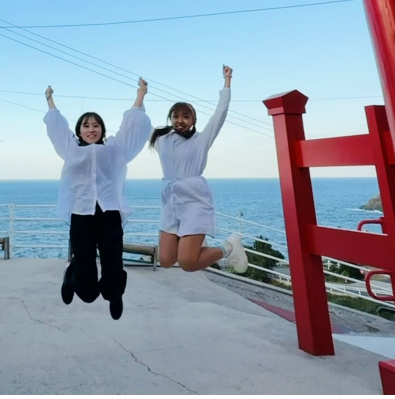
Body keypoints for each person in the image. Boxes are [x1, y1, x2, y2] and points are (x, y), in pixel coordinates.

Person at [44, 78, 152, 319]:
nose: (91, 129)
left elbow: (131, 127)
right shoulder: (70, 148)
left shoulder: (114, 148)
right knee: (88, 290)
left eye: (95, 125)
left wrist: (140, 95)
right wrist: (50, 100)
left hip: (109, 213)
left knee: (113, 264)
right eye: (86, 126)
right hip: (81, 214)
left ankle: (116, 294)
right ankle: (72, 276)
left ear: (102, 129)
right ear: (79, 130)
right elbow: (57, 126)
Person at [151, 65, 247, 274]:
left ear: (194, 120)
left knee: (187, 263)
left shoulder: (201, 140)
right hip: (171, 203)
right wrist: (140, 95)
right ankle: (192, 244)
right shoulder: (161, 140)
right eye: (176, 116)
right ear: (171, 119)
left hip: (195, 203)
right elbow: (139, 125)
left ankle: (229, 247)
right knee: (166, 260)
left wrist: (227, 81)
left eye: (186, 116)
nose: (180, 120)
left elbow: (220, 113)